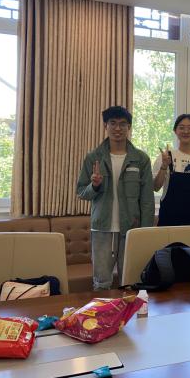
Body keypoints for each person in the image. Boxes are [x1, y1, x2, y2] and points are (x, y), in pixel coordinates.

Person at [77, 106, 154, 290]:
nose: (117, 128)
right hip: (102, 229)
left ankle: (130, 310)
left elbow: (147, 200)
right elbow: (81, 192)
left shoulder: (141, 159)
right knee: (101, 283)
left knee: (130, 283)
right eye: (113, 123)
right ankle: (102, 310)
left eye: (122, 124)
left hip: (131, 229)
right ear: (106, 126)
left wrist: (145, 231)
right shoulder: (93, 157)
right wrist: (94, 185)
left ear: (129, 127)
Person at [152, 114, 190, 226]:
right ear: (175, 131)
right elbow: (156, 187)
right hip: (169, 220)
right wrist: (164, 166)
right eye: (181, 127)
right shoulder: (166, 156)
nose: (186, 131)